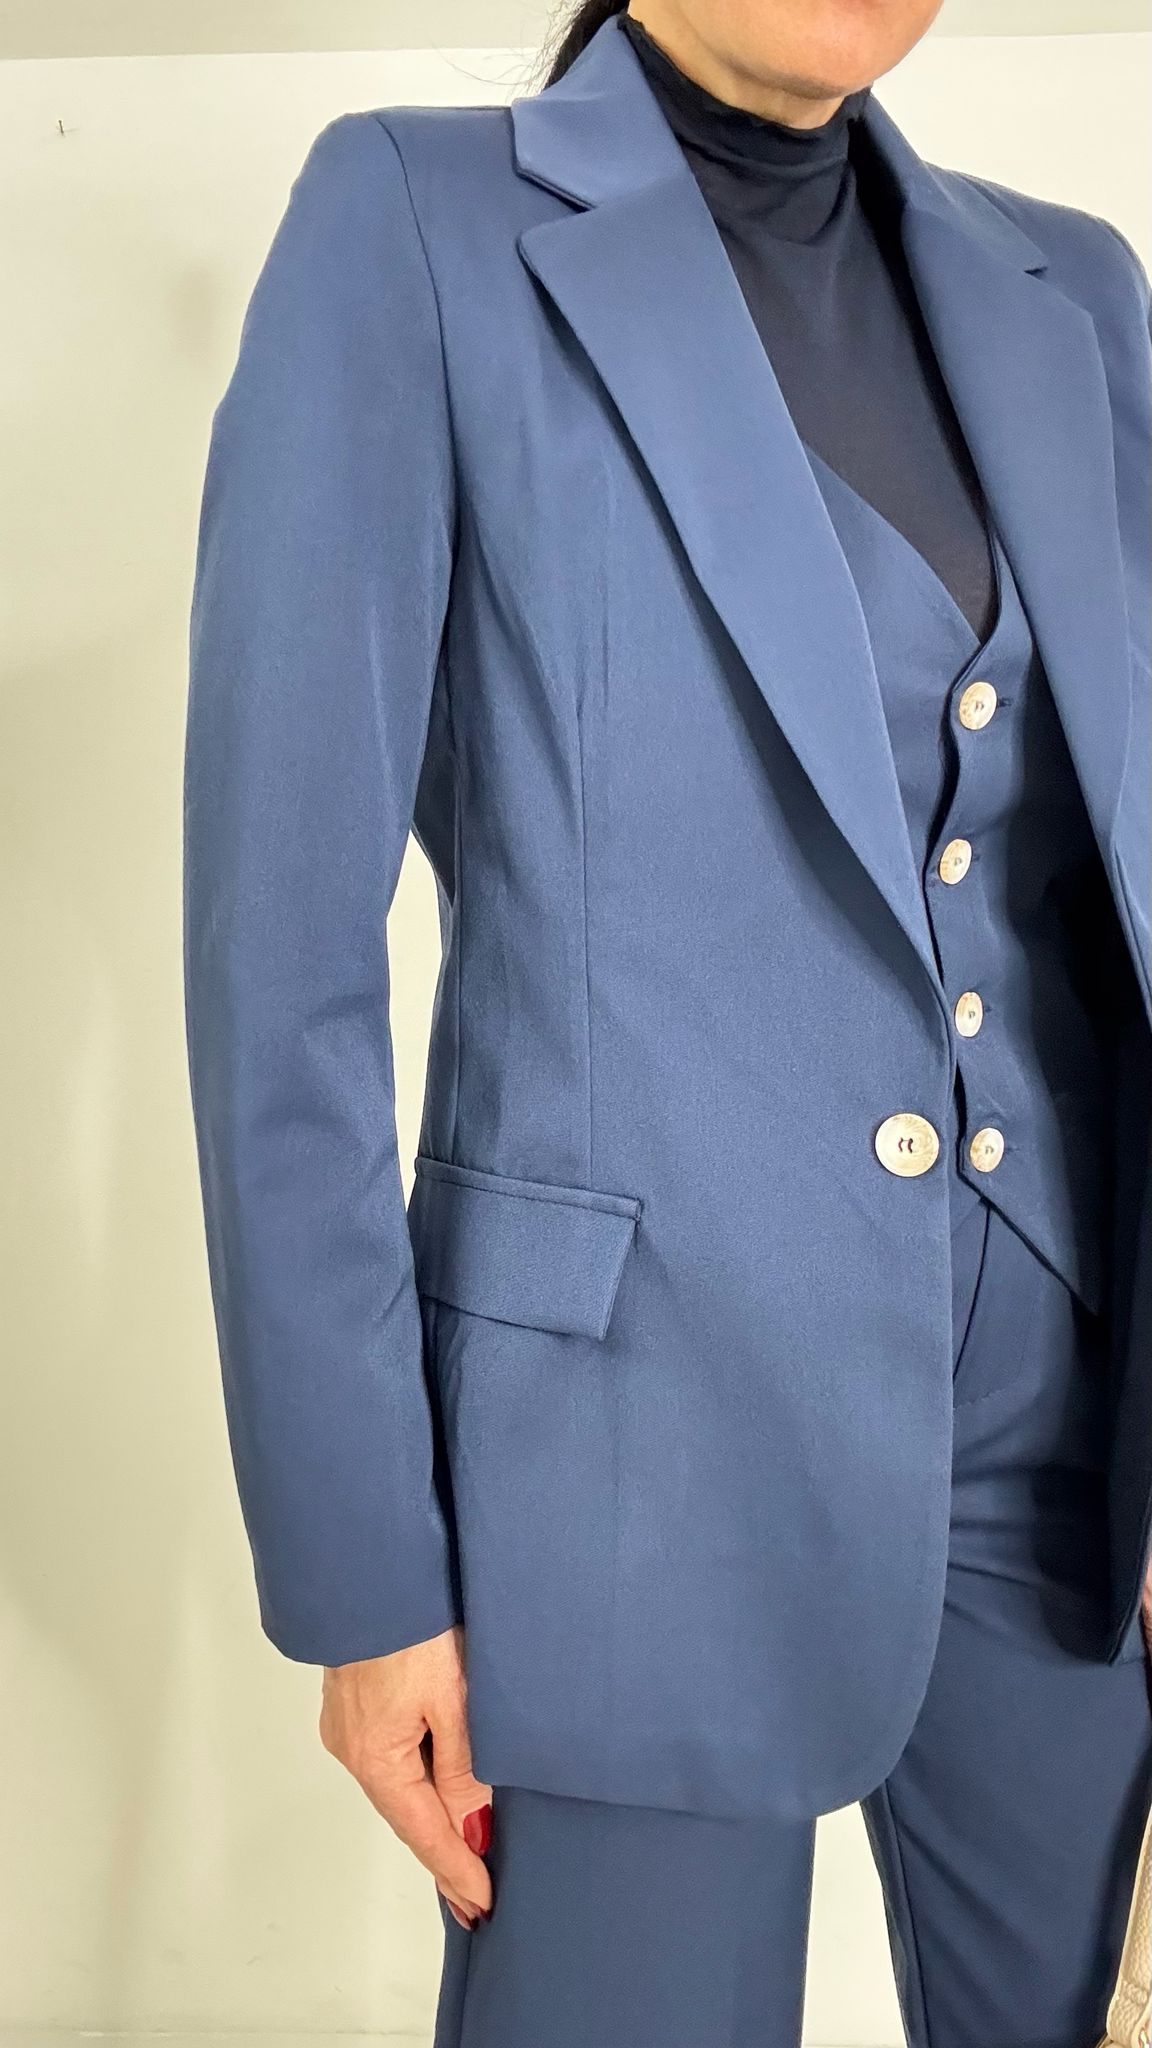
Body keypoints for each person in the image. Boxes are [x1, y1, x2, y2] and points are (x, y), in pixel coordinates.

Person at [182, 2, 1152, 2040]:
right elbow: (284, 965)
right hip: (624, 1453)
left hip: (1071, 1459)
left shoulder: (1078, 288)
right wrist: (367, 1574)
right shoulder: (415, 224)